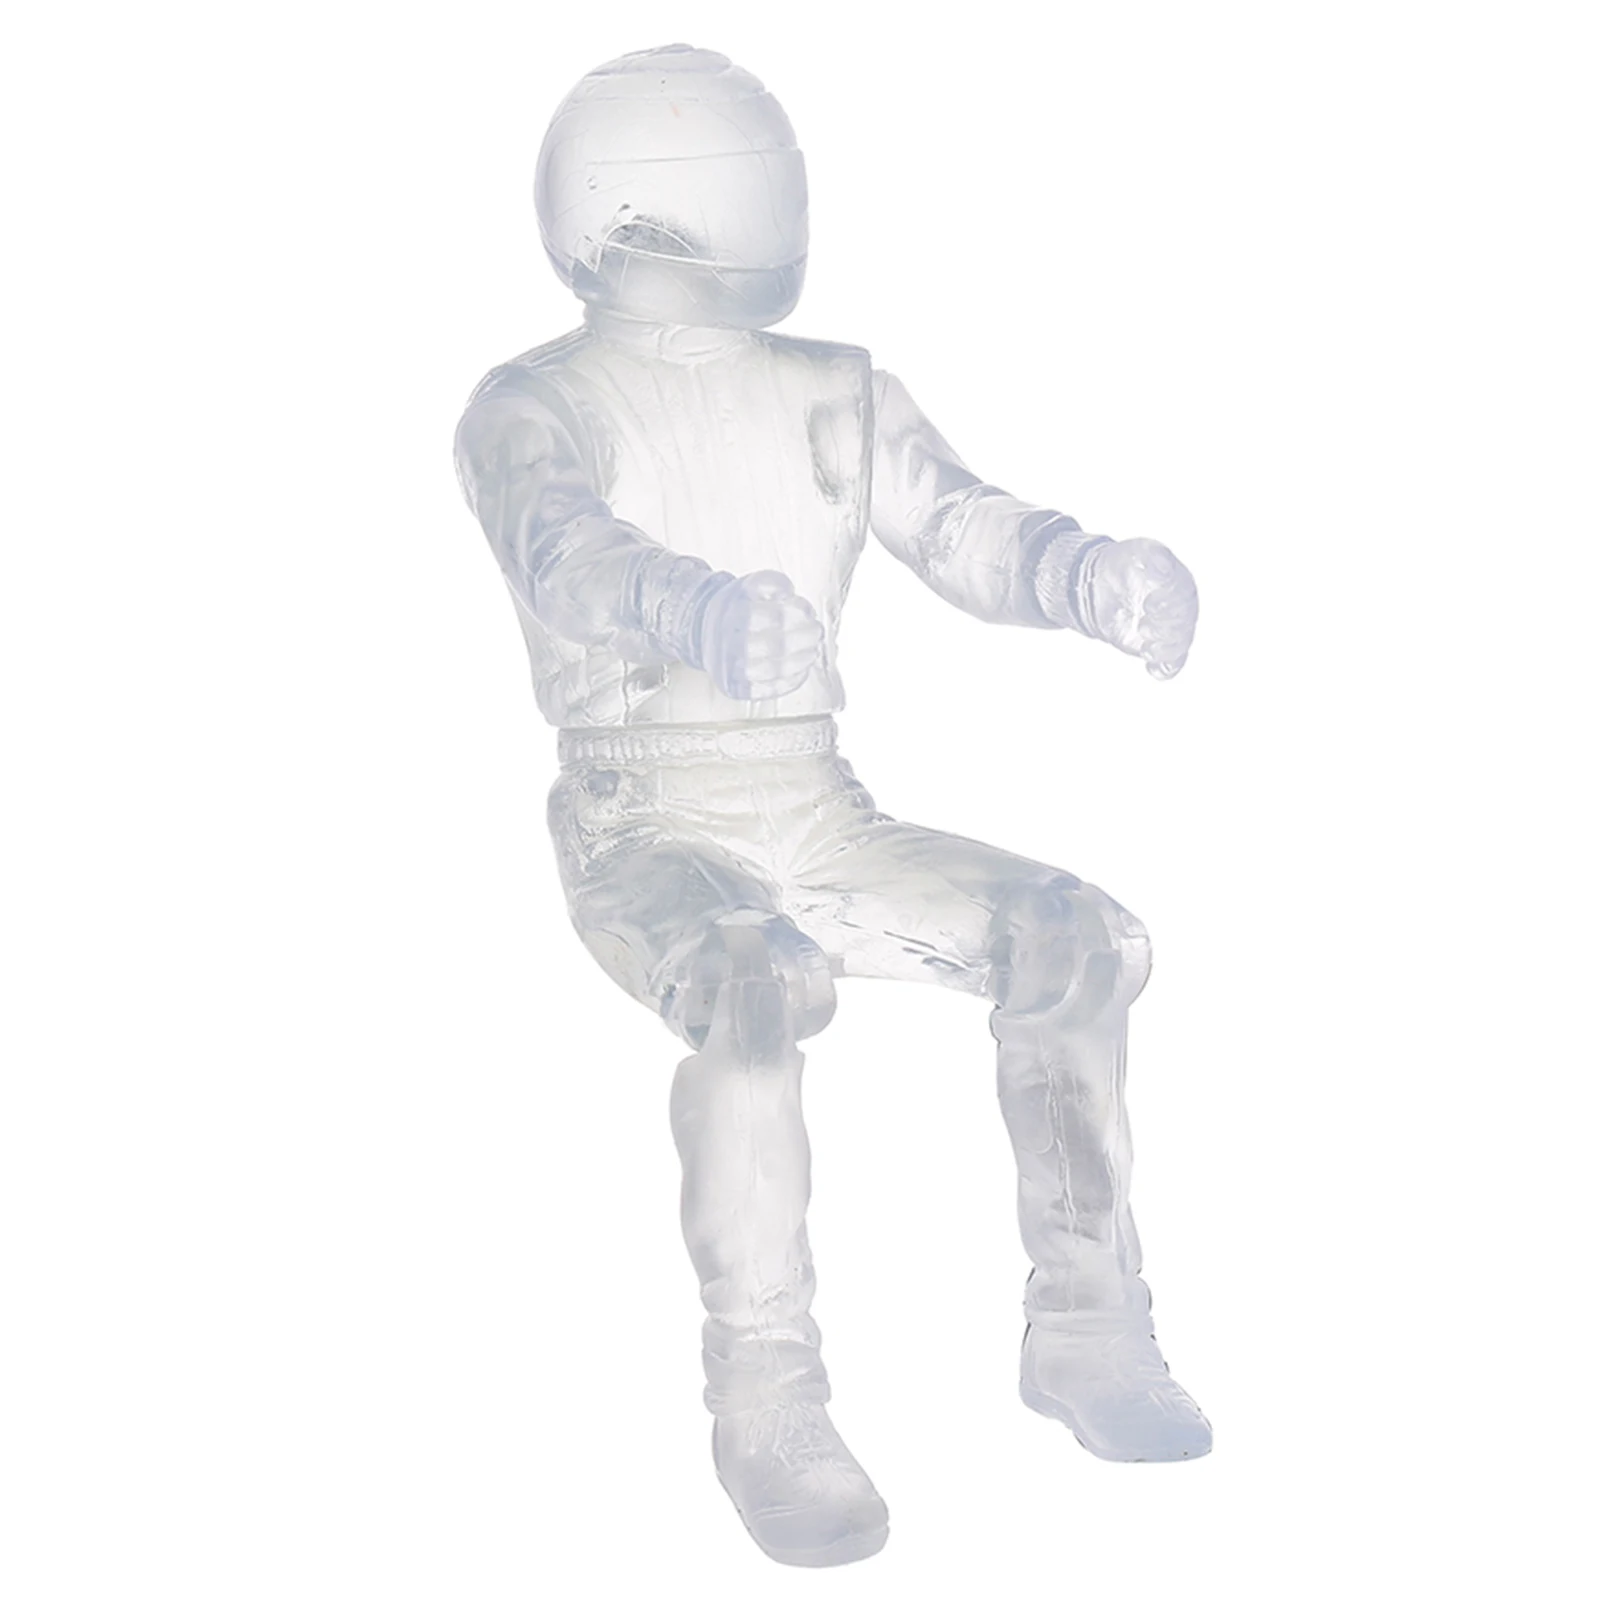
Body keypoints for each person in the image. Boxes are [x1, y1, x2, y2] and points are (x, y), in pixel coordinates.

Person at [454, 43, 1209, 1568]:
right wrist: (690, 610)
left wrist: (1086, 574)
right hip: (641, 821)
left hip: (814, 808)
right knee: (753, 980)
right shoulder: (534, 407)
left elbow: (963, 528)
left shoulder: (834, 393)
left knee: (1071, 937)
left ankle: (1087, 1318)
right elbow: (564, 551)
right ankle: (768, 1395)